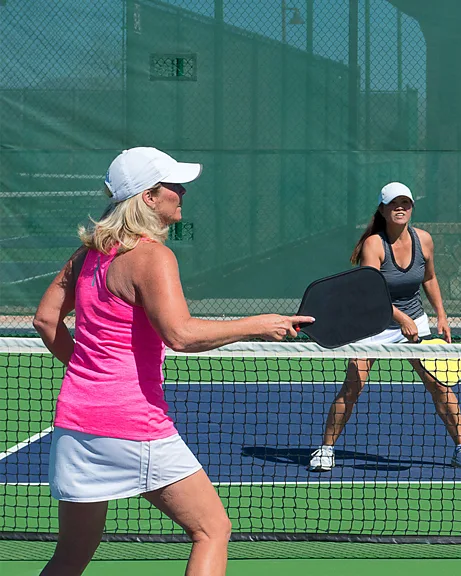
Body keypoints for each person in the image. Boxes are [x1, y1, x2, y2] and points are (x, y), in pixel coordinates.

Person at [32, 147, 312, 576]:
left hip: (75, 424)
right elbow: (179, 334)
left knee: (70, 557)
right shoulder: (153, 257)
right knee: (212, 529)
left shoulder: (86, 257)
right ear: (147, 197)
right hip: (133, 425)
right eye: (172, 186)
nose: (181, 193)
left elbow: (45, 319)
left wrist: (88, 371)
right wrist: (258, 324)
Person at [309, 182, 461, 472]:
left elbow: (429, 278)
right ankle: (326, 449)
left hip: (414, 321)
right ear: (383, 209)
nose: (400, 208)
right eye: (394, 203)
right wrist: (400, 319)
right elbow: (371, 293)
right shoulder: (374, 245)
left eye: (405, 203)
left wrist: (441, 314)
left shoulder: (424, 240)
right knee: (353, 386)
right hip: (373, 324)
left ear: (412, 208)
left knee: (439, 386)